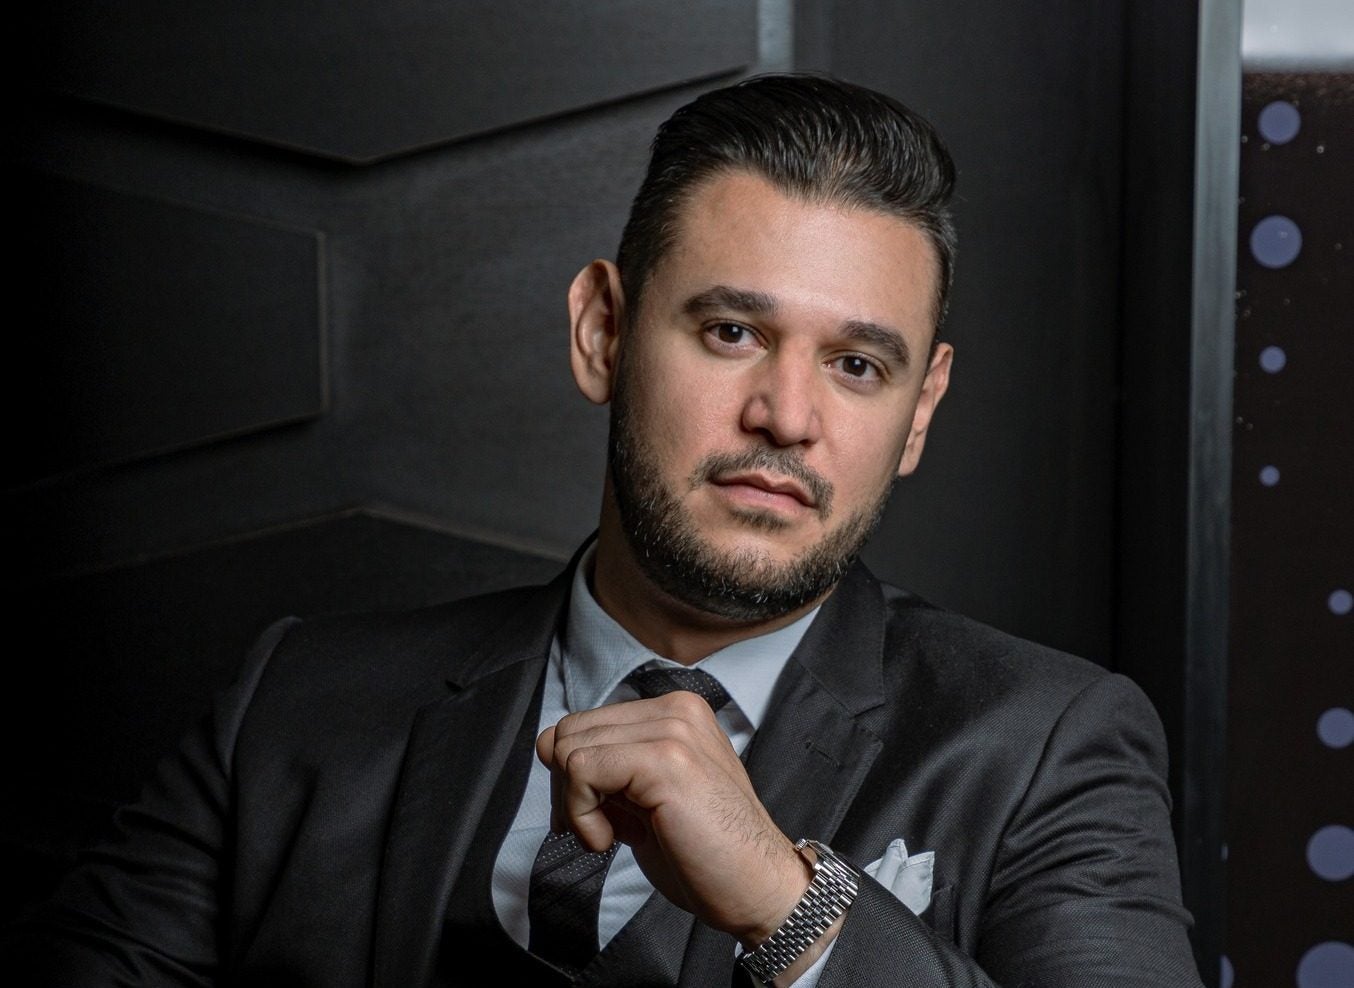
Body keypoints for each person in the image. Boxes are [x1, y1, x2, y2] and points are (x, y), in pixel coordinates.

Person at [3, 73, 1205, 987]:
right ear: (602, 333)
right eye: (731, 332)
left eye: (855, 363)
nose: (786, 416)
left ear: (918, 410)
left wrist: (792, 908)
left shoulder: (1047, 746)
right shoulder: (295, 702)